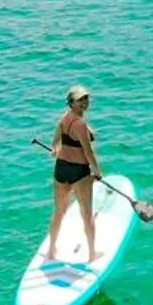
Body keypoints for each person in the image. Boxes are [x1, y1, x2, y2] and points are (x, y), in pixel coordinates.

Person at [46, 84, 103, 262]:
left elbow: (54, 145)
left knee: (59, 211)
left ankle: (51, 250)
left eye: (86, 98)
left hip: (61, 169)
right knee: (86, 213)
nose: (85, 102)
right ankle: (92, 255)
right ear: (71, 103)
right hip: (79, 172)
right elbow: (88, 152)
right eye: (80, 100)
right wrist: (98, 172)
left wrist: (56, 150)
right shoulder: (80, 124)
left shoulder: (63, 119)